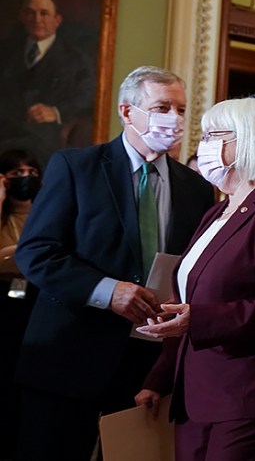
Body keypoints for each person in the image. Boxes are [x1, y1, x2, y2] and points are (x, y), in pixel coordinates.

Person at [13, 66, 215, 461]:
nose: (173, 118)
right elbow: (36, 251)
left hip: (146, 363)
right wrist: (109, 291)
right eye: (161, 107)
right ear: (127, 112)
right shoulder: (76, 166)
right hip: (69, 354)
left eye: (180, 109)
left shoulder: (194, 187)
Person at [135, 96, 255, 461]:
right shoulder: (217, 212)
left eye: (215, 135)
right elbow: (189, 302)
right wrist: (158, 379)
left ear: (251, 139)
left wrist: (197, 319)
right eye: (203, 136)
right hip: (197, 390)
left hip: (249, 390)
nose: (203, 146)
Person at [0, 0, 95, 167]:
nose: (36, 20)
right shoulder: (6, 50)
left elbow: (87, 97)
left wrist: (56, 111)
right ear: (21, 16)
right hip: (6, 129)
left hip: (46, 138)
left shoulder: (76, 60)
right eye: (30, 12)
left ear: (57, 20)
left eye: (44, 13)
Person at [0, 149, 41, 459]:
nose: (25, 178)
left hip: (35, 303)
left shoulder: (45, 211)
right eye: (16, 173)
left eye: (31, 172)